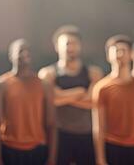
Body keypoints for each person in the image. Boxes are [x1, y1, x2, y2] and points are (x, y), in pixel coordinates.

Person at [38, 25, 103, 165]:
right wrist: (80, 92)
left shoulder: (94, 72)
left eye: (74, 43)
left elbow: (93, 102)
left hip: (86, 134)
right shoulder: (47, 73)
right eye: (67, 43)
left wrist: (61, 96)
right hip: (58, 134)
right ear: (57, 46)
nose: (71, 47)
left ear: (80, 46)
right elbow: (50, 101)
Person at [0, 39, 56, 165]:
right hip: (9, 149)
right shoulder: (0, 85)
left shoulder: (44, 85)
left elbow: (51, 124)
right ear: (11, 55)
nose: (25, 54)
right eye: (20, 51)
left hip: (37, 149)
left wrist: (52, 158)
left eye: (28, 51)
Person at [92, 35, 134, 165]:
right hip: (113, 147)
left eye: (124, 50)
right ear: (108, 56)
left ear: (132, 54)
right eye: (116, 50)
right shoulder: (101, 88)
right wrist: (100, 159)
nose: (120, 54)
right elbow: (99, 127)